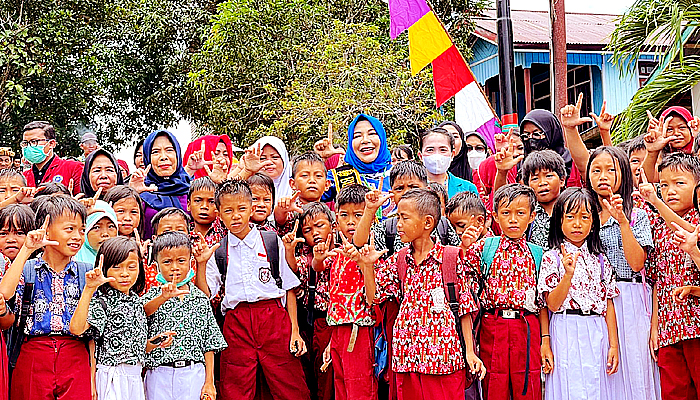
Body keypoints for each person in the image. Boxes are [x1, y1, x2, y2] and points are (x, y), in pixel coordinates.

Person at [366, 188, 484, 400]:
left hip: (444, 360)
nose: (398, 224)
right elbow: (373, 298)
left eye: (404, 218)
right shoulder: (399, 260)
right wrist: (367, 267)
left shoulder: (451, 257)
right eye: (397, 217)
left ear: (427, 223)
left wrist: (470, 352)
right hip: (406, 359)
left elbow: (465, 308)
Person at [205, 179, 310, 400]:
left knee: (289, 384)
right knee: (236, 386)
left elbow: (289, 287)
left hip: (273, 318)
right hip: (237, 323)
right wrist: (200, 264)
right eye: (229, 210)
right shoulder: (219, 251)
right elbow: (205, 295)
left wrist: (294, 331)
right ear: (219, 214)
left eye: (242, 209)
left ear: (252, 208)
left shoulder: (271, 241)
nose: (236, 216)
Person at [462, 184, 551, 400]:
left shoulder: (538, 254)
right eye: (506, 213)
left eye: (520, 213)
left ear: (531, 217)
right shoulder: (484, 248)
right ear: (495, 216)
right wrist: (465, 248)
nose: (513, 219)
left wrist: (545, 340)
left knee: (527, 385)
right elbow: (464, 281)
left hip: (526, 325)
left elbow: (542, 302)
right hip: (493, 325)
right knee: (494, 385)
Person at [0, 194, 92, 400]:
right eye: (70, 229)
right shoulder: (28, 269)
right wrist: (27, 249)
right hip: (33, 353)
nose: (78, 236)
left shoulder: (87, 273)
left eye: (82, 230)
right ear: (46, 228)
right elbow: (5, 293)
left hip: (75, 353)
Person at [538, 188, 619, 399]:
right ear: (559, 221)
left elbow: (608, 303)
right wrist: (568, 275)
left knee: (596, 386)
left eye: (584, 217)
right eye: (571, 217)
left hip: (595, 328)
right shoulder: (552, 257)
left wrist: (614, 344)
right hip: (565, 327)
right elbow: (552, 305)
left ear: (593, 223)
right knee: (568, 386)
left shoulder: (600, 259)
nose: (577, 223)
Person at [640, 153, 700, 400]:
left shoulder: (696, 220)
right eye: (663, 185)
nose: (670, 191)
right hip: (668, 326)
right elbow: (657, 279)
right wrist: (655, 324)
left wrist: (656, 202)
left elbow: (687, 229)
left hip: (696, 324)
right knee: (674, 392)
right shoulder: (656, 227)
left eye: (679, 183)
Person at [69, 237, 156, 400]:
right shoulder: (103, 301)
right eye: (117, 267)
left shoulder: (136, 301)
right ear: (105, 269)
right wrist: (89, 289)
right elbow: (77, 329)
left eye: (131, 267)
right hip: (112, 375)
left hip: (135, 376)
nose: (125, 274)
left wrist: (153, 344)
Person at [142, 231, 226, 400]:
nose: (174, 267)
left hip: (193, 374)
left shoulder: (200, 299)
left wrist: (209, 381)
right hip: (158, 374)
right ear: (157, 265)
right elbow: (142, 312)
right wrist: (162, 298)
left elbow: (209, 344)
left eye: (181, 261)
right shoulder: (152, 296)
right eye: (167, 262)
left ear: (190, 261)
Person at [322, 184, 378, 400]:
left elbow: (359, 239)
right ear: (336, 220)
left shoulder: (364, 250)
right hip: (338, 331)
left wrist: (370, 209)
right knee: (342, 388)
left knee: (359, 389)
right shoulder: (336, 253)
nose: (351, 221)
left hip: (358, 330)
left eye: (359, 214)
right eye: (345, 215)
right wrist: (331, 341)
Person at [354, 161, 461, 257]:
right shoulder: (388, 228)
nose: (407, 193)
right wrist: (369, 209)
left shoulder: (441, 225)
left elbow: (458, 256)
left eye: (413, 187)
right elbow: (360, 244)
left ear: (427, 190)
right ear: (391, 194)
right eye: (399, 188)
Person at [284, 202, 334, 400]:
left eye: (320, 225)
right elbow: (293, 274)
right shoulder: (304, 258)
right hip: (310, 325)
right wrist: (289, 250)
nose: (315, 233)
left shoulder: (342, 254)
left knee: (328, 381)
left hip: (332, 325)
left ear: (333, 225)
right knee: (308, 379)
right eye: (307, 230)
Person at [322, 114, 392, 214]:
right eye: (357, 136)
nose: (365, 140)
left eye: (372, 134)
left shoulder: (400, 174)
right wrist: (320, 160)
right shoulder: (336, 177)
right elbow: (305, 198)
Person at [132, 130, 191, 238]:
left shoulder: (192, 191)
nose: (163, 157)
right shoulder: (141, 192)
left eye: (169, 150)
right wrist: (132, 194)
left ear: (177, 154)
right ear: (147, 158)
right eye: (155, 152)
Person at [519, 109, 583, 187]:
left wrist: (571, 129)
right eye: (526, 135)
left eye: (536, 134)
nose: (531, 140)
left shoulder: (574, 162)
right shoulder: (518, 166)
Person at [521, 150, 567, 249]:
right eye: (535, 179)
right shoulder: (527, 214)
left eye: (549, 176)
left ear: (562, 180)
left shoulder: (571, 209)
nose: (542, 183)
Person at [20, 121, 83, 195]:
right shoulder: (24, 176)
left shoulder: (73, 168)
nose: (28, 147)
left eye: (34, 142)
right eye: (25, 143)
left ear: (51, 143)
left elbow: (83, 200)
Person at [642, 106, 700, 182]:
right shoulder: (662, 160)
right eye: (669, 129)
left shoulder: (698, 154)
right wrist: (652, 152)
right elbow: (645, 181)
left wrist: (698, 137)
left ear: (690, 128)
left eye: (682, 127)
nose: (676, 133)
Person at [418, 127, 477, 198]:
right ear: (420, 156)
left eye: (443, 150)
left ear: (452, 154)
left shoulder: (468, 188)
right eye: (430, 150)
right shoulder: (411, 188)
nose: (437, 155)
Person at [253, 136, 293, 207]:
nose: (269, 162)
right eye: (262, 158)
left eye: (275, 157)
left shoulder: (296, 188)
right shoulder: (247, 187)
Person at [74, 200, 119, 265]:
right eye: (96, 227)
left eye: (111, 226)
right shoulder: (71, 260)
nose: (105, 234)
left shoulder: (125, 258)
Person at [188, 177, 226, 246]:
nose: (204, 206)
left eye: (212, 202)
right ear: (188, 204)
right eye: (198, 201)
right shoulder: (184, 234)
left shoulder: (226, 230)